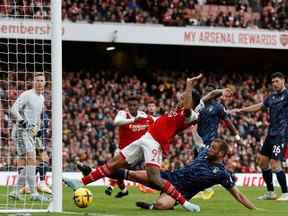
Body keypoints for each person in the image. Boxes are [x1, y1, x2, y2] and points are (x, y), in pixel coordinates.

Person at [64, 74, 203, 212]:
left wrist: (189, 85)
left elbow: (188, 109)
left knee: (155, 178)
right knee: (113, 164)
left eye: (184, 98)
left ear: (191, 102)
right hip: (146, 137)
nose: (181, 99)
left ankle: (185, 203)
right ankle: (80, 182)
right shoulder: (178, 110)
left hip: (155, 143)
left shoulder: (190, 115)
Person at [114, 139, 257, 210]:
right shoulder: (203, 154)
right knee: (130, 174)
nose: (209, 149)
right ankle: (98, 172)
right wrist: (194, 127)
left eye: (213, 148)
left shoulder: (221, 173)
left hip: (179, 192)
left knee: (160, 205)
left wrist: (253, 208)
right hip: (167, 177)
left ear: (221, 154)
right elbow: (198, 142)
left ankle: (152, 206)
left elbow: (238, 194)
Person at [231, 72, 288, 201]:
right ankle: (270, 192)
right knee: (262, 162)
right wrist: (242, 110)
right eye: (273, 82)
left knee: (275, 164)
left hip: (281, 135)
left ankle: (286, 193)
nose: (274, 84)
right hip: (270, 134)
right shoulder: (271, 97)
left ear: (283, 81)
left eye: (277, 81)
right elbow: (260, 106)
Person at [192, 86, 240, 200]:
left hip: (210, 141)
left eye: (209, 92)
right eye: (206, 92)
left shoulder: (218, 107)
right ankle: (231, 177)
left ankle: (206, 189)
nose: (207, 94)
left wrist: (236, 135)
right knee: (200, 163)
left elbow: (227, 121)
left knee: (200, 164)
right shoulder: (199, 106)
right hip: (198, 140)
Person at [9, 73, 49, 201]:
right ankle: (34, 194)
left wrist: (37, 128)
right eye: (37, 80)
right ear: (33, 82)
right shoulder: (27, 95)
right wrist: (23, 122)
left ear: (45, 82)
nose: (39, 82)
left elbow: (37, 116)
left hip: (31, 133)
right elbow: (13, 110)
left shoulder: (41, 98)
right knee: (31, 159)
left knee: (32, 162)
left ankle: (16, 192)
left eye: (41, 80)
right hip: (21, 131)